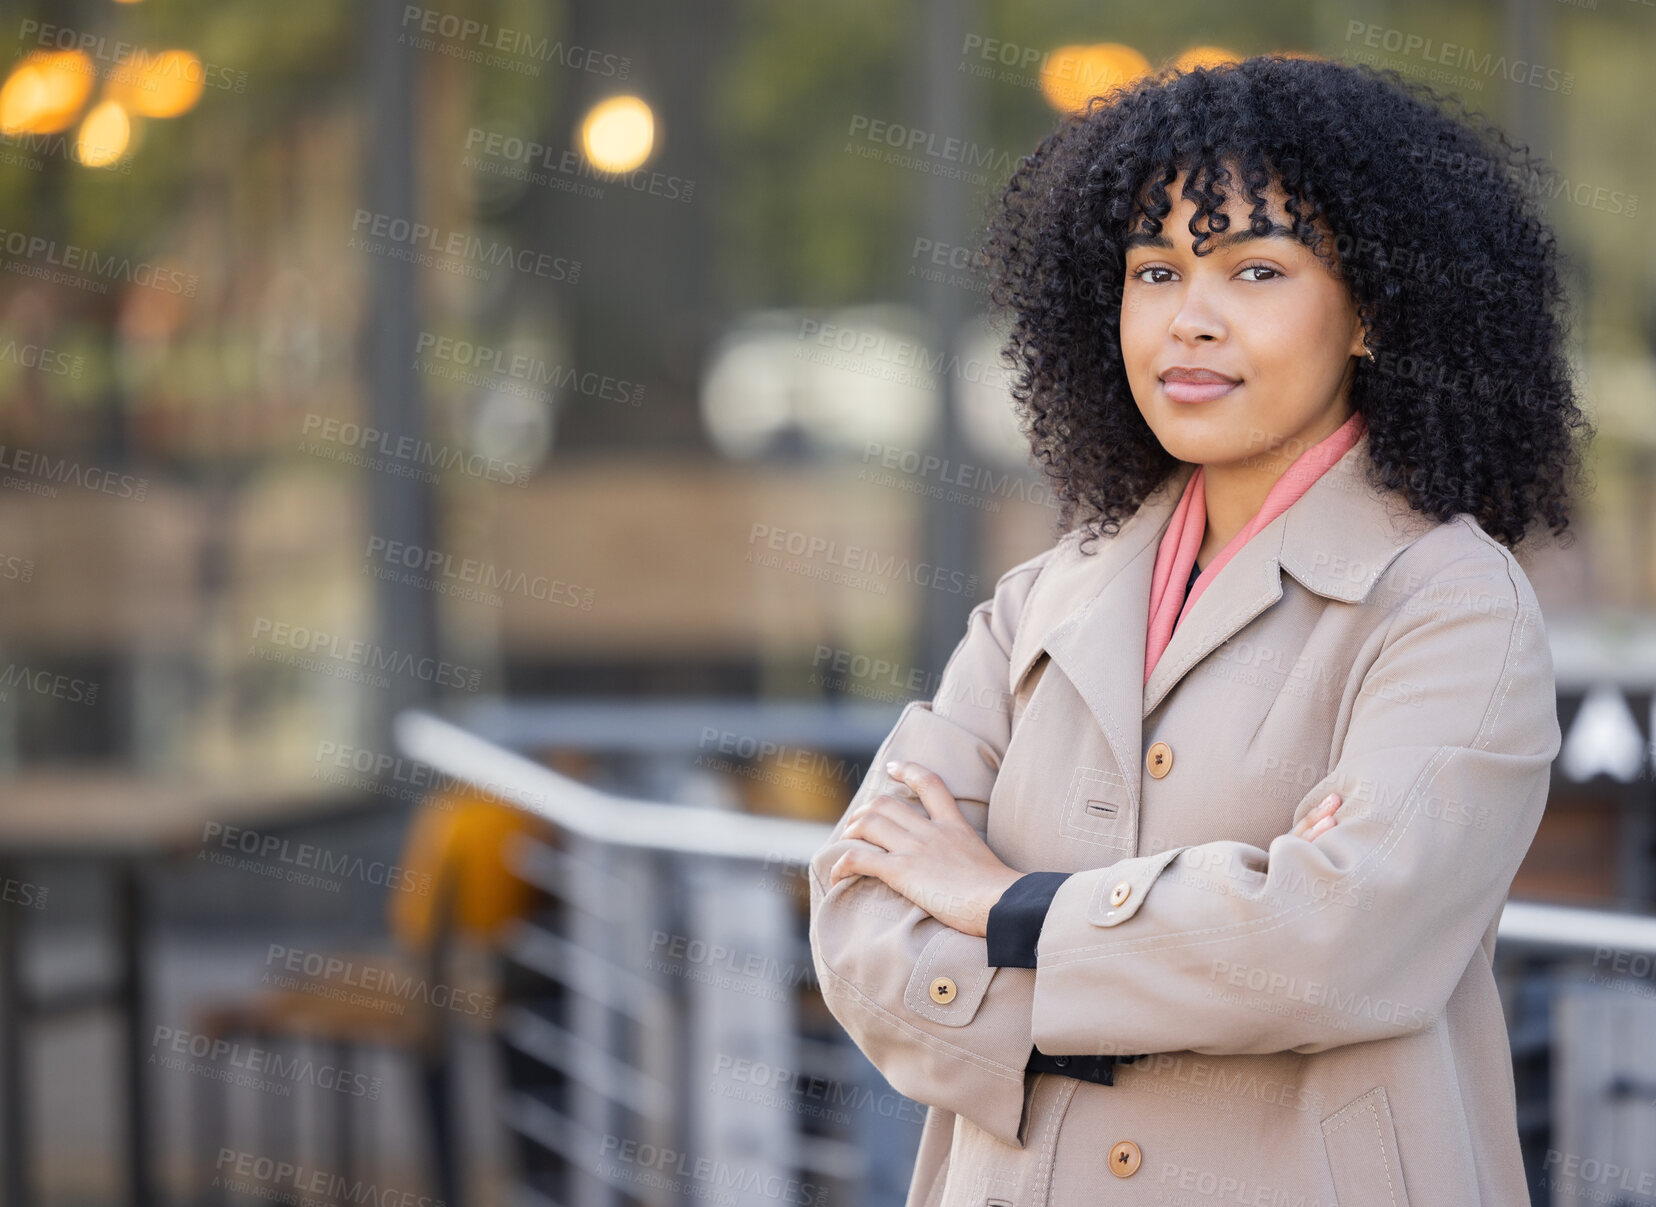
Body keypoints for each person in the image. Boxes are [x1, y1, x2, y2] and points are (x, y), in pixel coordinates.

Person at [807, 54, 1591, 1207]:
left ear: (1371, 308)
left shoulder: (1448, 603)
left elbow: (1337, 944)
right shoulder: (1046, 594)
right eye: (1156, 270)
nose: (1190, 320)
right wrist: (1201, 951)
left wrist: (1002, 906)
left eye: (1256, 269)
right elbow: (862, 912)